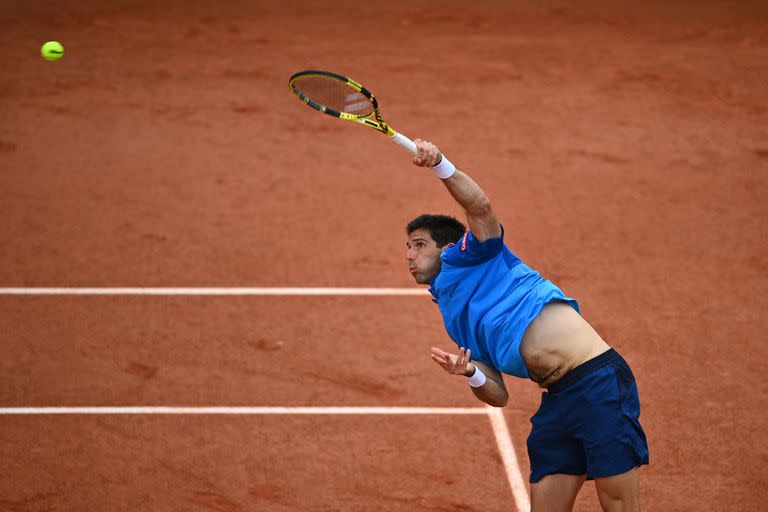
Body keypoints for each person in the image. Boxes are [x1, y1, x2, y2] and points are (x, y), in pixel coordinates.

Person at [406, 139, 649, 512]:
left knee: (618, 504)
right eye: (408, 247)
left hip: (597, 381)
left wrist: (440, 163)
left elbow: (480, 206)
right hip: (558, 398)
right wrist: (471, 373)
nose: (410, 255)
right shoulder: (454, 317)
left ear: (451, 246)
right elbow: (498, 394)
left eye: (420, 244)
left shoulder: (476, 257)